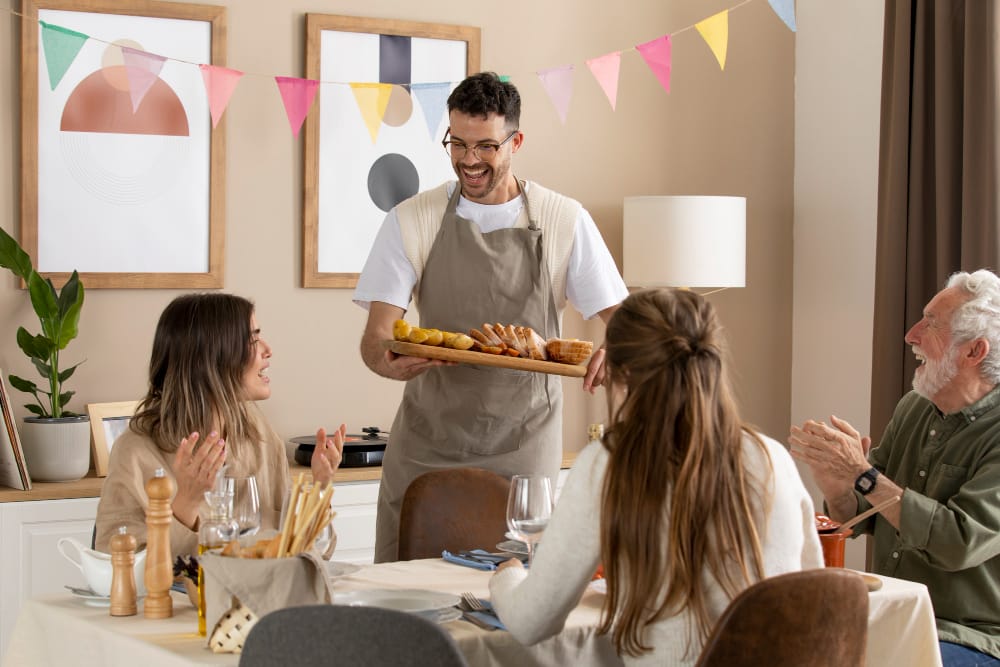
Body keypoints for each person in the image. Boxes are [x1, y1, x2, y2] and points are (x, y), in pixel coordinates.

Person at [354, 71, 628, 562]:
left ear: (516, 141)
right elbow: (375, 339)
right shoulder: (411, 219)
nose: (468, 160)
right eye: (456, 143)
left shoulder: (564, 220)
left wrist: (619, 349)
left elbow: (626, 324)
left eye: (485, 146)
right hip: (426, 444)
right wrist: (388, 361)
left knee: (517, 600)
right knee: (408, 598)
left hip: (524, 448)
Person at [489, 288, 823, 665]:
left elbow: (532, 621)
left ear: (622, 372)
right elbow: (811, 586)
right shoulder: (772, 457)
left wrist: (508, 576)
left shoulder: (609, 464)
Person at [789, 269, 1000, 666]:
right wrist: (839, 489)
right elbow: (866, 516)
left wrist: (864, 476)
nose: (911, 334)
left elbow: (959, 542)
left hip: (970, 636)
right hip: (888, 617)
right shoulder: (914, 407)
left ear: (974, 351)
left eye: (931, 323)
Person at [95, 293, 345, 557]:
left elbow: (301, 554)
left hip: (259, 596)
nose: (267, 349)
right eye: (253, 340)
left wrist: (318, 489)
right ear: (213, 358)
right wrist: (185, 505)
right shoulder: (136, 451)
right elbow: (116, 565)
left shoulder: (258, 432)